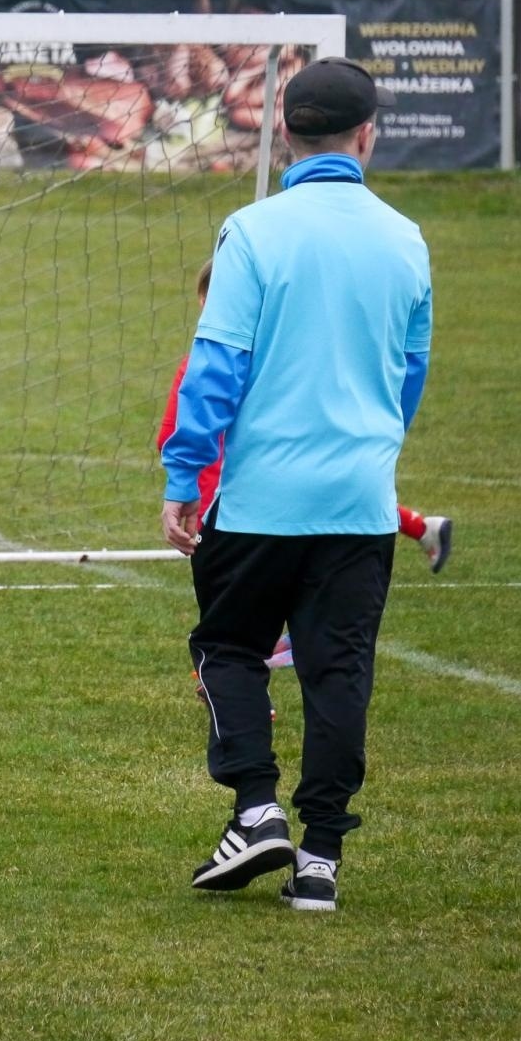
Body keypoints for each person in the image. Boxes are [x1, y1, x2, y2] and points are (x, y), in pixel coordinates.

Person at [161, 57, 433, 913]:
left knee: (226, 648)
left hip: (261, 499)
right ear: (368, 136)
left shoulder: (251, 231)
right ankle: (320, 860)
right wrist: (369, 450)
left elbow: (216, 364)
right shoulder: (406, 238)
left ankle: (256, 809)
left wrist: (184, 472)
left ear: (283, 132)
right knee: (338, 673)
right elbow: (410, 374)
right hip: (359, 503)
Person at [158, 256, 452, 584]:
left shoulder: (203, 368)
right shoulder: (291, 358)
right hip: (308, 487)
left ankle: (421, 528)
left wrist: (187, 487)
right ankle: (422, 528)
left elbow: (172, 433)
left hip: (242, 509)